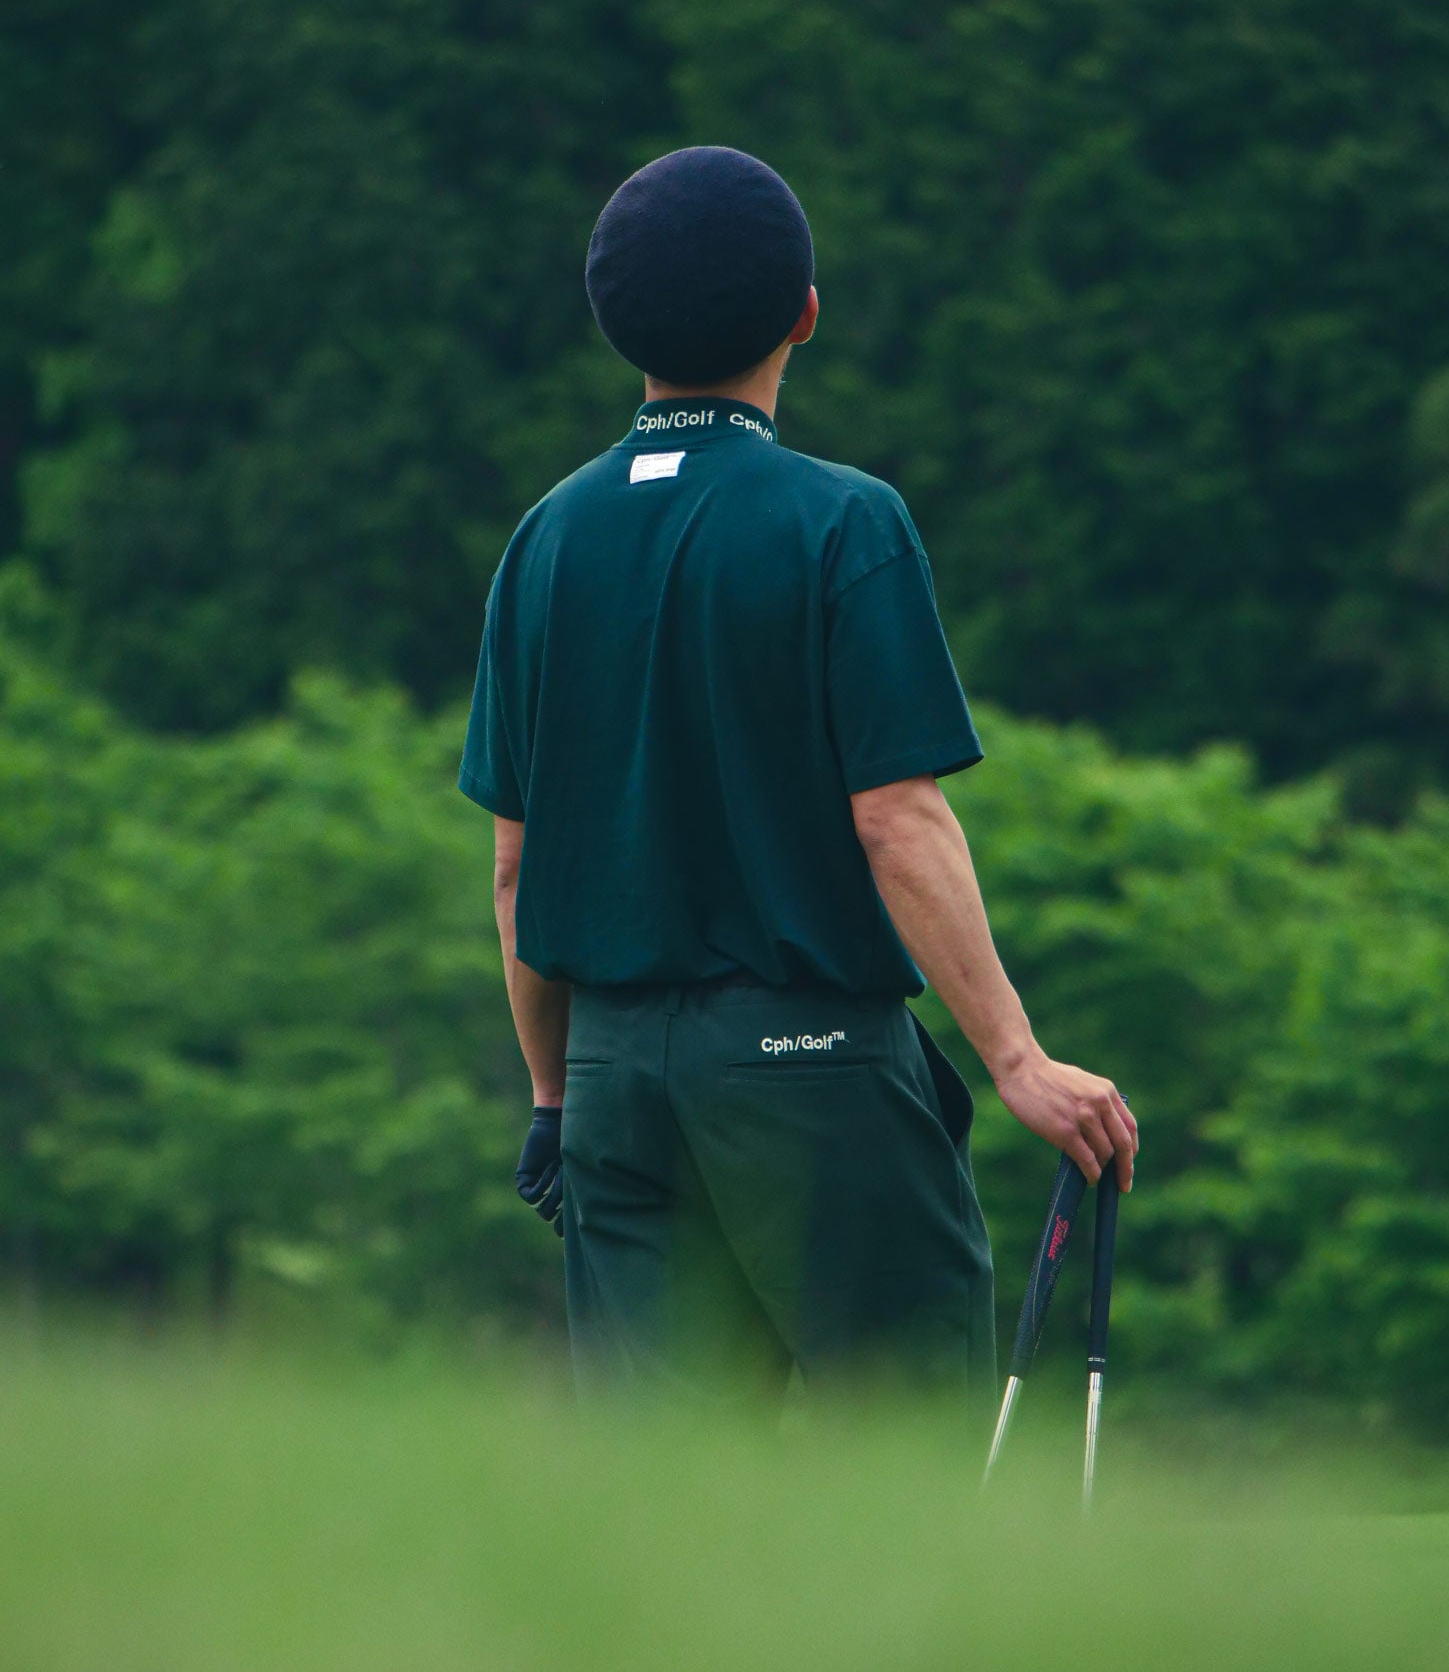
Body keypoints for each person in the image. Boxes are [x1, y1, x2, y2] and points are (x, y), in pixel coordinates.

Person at [459, 146, 1136, 1425]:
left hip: (610, 1080)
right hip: (810, 1068)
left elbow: (515, 864)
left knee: (662, 1506)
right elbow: (897, 817)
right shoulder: (842, 521)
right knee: (903, 1459)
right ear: (804, 314)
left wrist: (553, 1097)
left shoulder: (544, 538)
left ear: (618, 329)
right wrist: (1015, 1056)